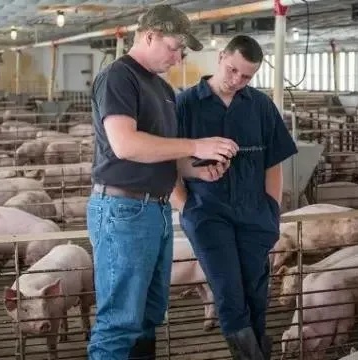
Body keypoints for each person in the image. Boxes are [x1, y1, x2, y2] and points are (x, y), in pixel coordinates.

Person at [86, 5, 239, 360]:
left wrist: (192, 168)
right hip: (123, 210)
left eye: (182, 50)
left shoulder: (162, 87)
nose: (178, 56)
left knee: (149, 314)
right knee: (120, 321)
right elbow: (125, 144)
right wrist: (196, 145)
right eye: (173, 46)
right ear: (148, 35)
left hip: (155, 209)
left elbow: (157, 152)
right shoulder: (119, 77)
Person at [171, 35, 298, 359]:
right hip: (208, 214)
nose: (237, 81)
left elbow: (273, 162)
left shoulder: (260, 106)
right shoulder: (185, 104)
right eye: (232, 70)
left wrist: (272, 209)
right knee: (229, 292)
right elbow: (166, 161)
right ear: (221, 57)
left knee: (257, 294)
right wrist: (186, 207)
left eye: (246, 76)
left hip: (255, 215)